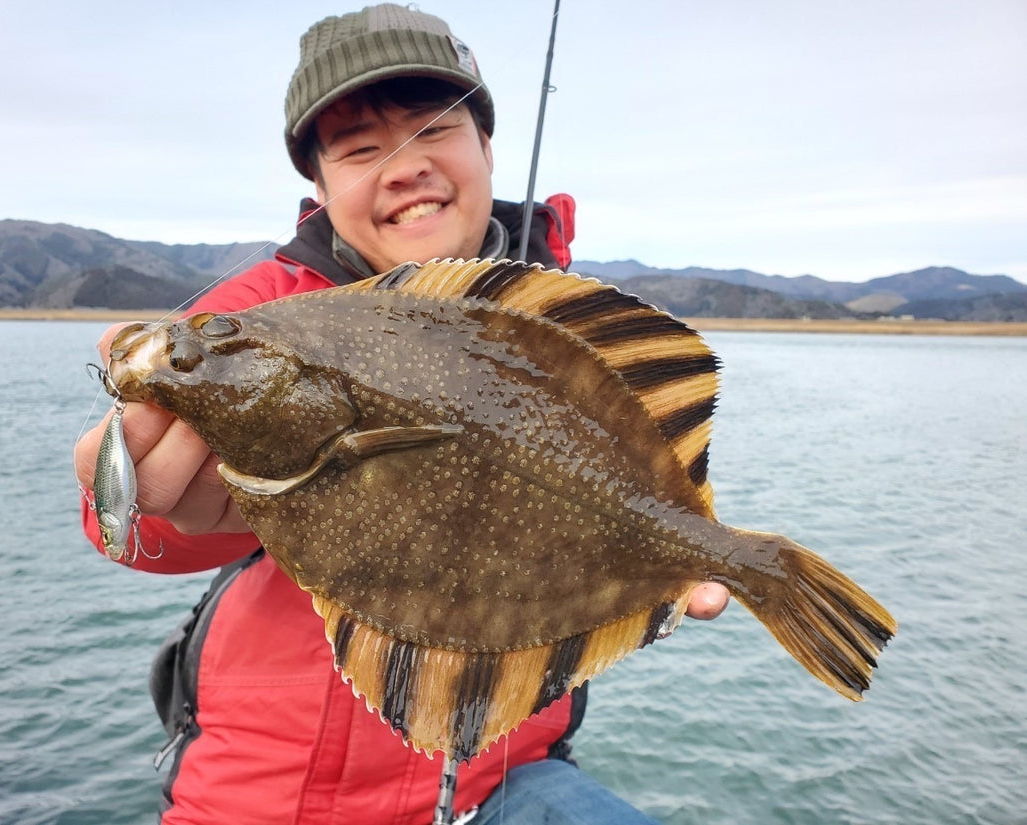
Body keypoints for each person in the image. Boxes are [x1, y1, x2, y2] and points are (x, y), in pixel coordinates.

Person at [74, 5, 730, 824]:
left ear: (486, 147)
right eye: (359, 150)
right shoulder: (259, 318)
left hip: (506, 773)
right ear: (318, 187)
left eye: (434, 130)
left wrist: (680, 547)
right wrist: (139, 498)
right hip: (272, 791)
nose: (404, 167)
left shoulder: (558, 329)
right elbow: (124, 527)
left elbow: (636, 473)